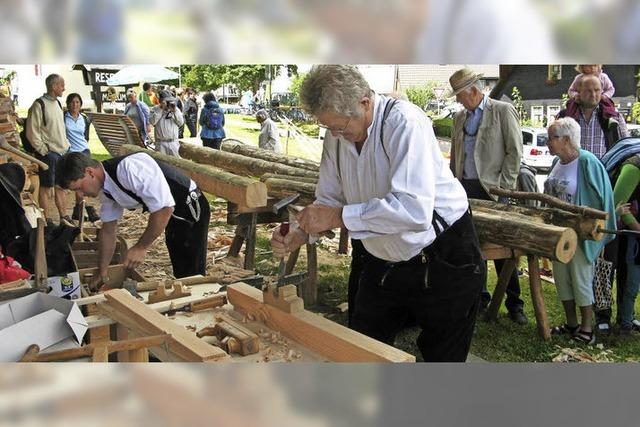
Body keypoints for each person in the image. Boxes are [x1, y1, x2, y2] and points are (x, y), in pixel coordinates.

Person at [271, 65, 485, 362]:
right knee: (361, 350)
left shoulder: (404, 122)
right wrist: (301, 231)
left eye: (341, 127)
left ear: (365, 102)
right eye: (328, 128)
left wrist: (337, 217)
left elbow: (413, 210)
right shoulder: (337, 134)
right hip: (380, 258)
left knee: (442, 359)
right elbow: (328, 199)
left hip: (443, 255)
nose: (336, 135)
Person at [56, 151, 211, 290]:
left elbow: (164, 208)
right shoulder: (106, 189)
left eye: (79, 188)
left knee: (192, 268)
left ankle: (199, 299)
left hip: (190, 207)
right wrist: (102, 269)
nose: (81, 194)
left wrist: (141, 247)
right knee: (180, 263)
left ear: (89, 172)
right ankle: (186, 295)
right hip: (171, 213)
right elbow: (108, 230)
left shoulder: (129, 169)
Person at [448, 67, 527, 324]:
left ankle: (515, 304)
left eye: (459, 95)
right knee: (472, 247)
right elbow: (455, 156)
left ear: (473, 91)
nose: (458, 100)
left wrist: (502, 189)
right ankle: (479, 298)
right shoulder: (460, 119)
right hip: (465, 189)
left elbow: (514, 153)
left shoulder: (502, 111)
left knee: (503, 250)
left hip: (493, 190)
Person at [544, 118, 616, 345]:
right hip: (560, 232)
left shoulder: (587, 162)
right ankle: (571, 323)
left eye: (551, 138)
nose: (547, 142)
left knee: (581, 280)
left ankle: (587, 328)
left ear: (566, 140)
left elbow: (603, 201)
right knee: (562, 279)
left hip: (581, 235)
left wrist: (598, 234)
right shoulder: (558, 161)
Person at [600, 137, 640, 337]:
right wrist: (637, 226)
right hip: (611, 220)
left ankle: (626, 316)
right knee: (607, 267)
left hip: (629, 222)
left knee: (628, 269)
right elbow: (617, 202)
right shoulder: (634, 166)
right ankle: (602, 318)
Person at [25, 73, 69, 226]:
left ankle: (64, 216)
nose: (64, 88)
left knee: (61, 186)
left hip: (62, 152)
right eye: (62, 85)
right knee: (46, 188)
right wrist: (44, 151)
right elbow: (31, 132)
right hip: (49, 155)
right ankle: (47, 220)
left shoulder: (57, 103)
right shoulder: (39, 105)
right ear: (54, 86)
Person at [557, 74, 628, 159]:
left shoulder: (614, 117)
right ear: (579, 92)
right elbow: (555, 144)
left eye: (597, 90)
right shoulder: (566, 116)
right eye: (588, 91)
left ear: (602, 91)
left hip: (603, 170)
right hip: (573, 170)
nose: (593, 94)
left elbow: (626, 146)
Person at [64, 93, 100, 223]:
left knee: (86, 182)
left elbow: (86, 136)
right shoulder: (64, 118)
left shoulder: (83, 118)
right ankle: (88, 209)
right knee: (79, 183)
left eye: (77, 102)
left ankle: (78, 210)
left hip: (84, 151)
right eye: (72, 102)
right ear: (68, 104)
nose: (75, 105)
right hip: (72, 153)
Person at [149, 89, 184, 157]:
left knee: (176, 164)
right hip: (161, 144)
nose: (168, 103)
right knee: (162, 164)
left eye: (170, 101)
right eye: (167, 101)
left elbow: (180, 123)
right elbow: (152, 122)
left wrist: (174, 111)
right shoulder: (155, 109)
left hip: (173, 143)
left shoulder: (175, 109)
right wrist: (161, 108)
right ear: (160, 101)